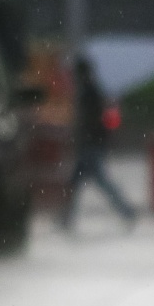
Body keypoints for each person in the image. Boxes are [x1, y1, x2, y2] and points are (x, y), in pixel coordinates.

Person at [59, 55, 137, 229]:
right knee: (85, 182)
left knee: (86, 182)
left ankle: (126, 211)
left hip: (90, 145)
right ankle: (126, 211)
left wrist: (81, 136)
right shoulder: (91, 90)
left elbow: (91, 120)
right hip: (91, 144)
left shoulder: (89, 92)